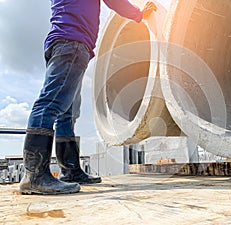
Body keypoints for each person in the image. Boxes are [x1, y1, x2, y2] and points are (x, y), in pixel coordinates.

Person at [20, 0, 157, 195]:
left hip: (62, 43)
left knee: (66, 114)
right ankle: (34, 177)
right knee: (49, 105)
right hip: (72, 42)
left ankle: (70, 171)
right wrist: (139, 15)